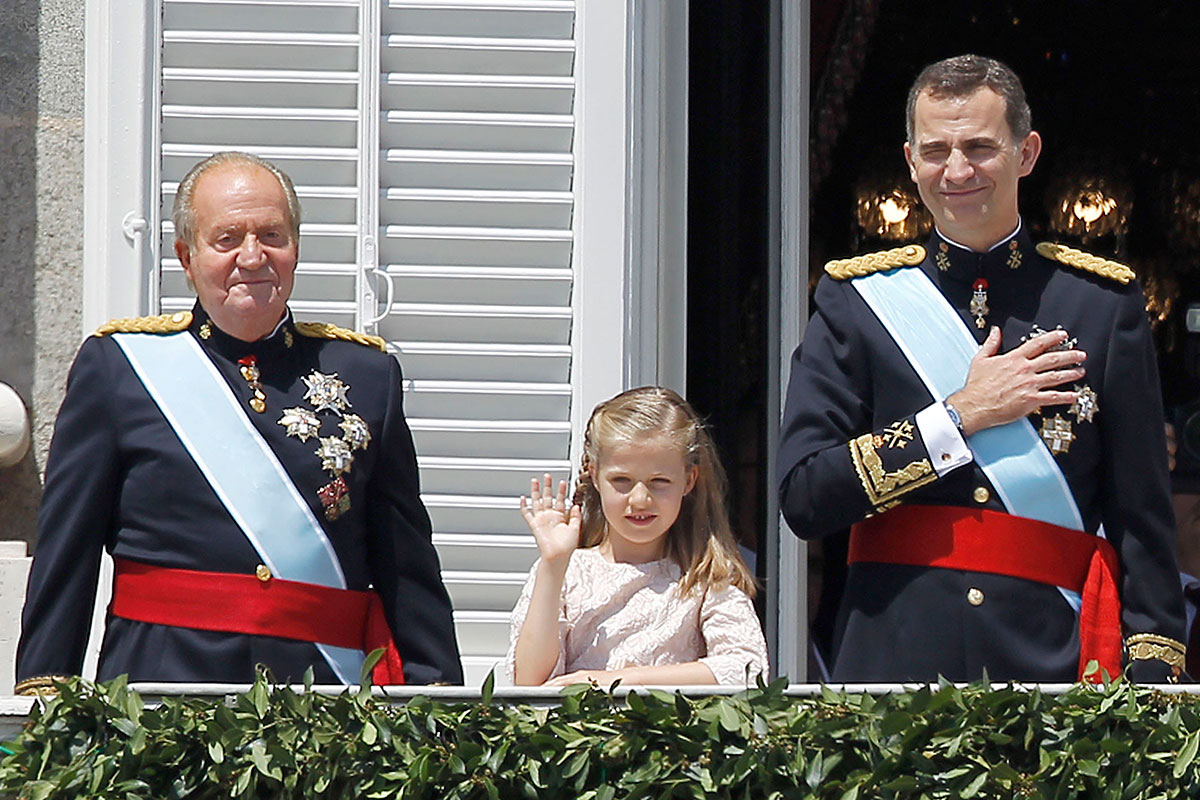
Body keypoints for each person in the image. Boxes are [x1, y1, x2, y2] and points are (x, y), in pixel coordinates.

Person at [778, 55, 1187, 683]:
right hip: (895, 664)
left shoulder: (1101, 305)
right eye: (936, 150)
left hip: (1053, 671)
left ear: (1026, 153)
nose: (957, 170)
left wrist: (1152, 686)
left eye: (980, 147)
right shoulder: (855, 301)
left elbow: (1143, 522)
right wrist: (959, 417)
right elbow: (805, 496)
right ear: (911, 161)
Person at [16, 151, 462, 692]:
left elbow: (406, 563)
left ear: (295, 248)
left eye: (272, 235)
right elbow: (68, 551)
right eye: (227, 239)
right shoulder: (120, 369)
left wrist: (437, 694)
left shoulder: (366, 376)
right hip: (161, 693)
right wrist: (46, 687)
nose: (253, 257)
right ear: (186, 256)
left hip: (324, 701)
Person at [505, 386, 768, 686]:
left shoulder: (705, 575)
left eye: (659, 481)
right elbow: (529, 684)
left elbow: (748, 670)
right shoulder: (569, 573)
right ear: (594, 475)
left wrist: (618, 681)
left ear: (688, 480)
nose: (640, 499)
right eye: (622, 480)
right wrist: (553, 564)